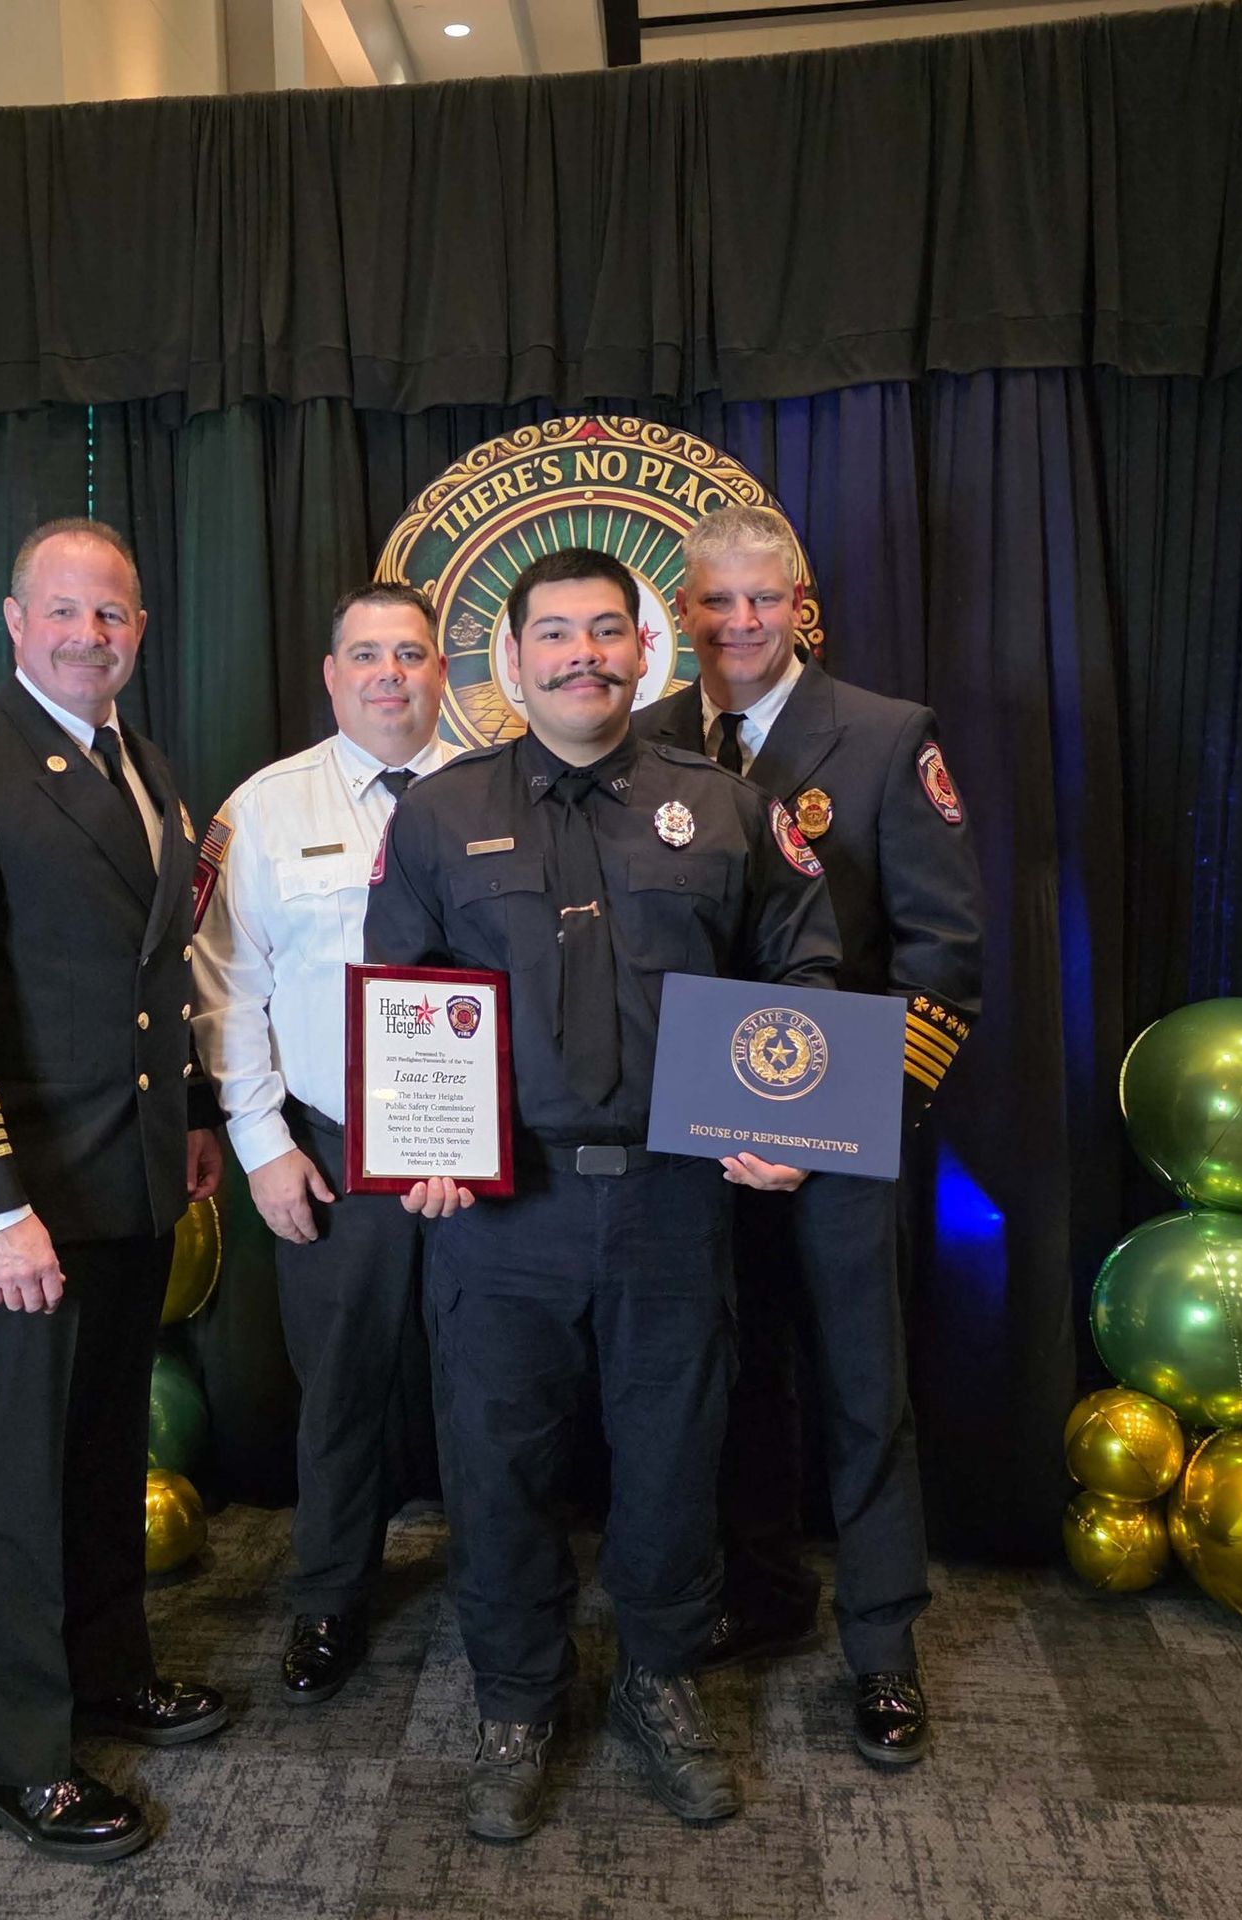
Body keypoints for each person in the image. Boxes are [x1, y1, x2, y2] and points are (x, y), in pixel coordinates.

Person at [364, 547, 842, 1842]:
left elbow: (802, 968)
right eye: (556, 634)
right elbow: (401, 988)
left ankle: (660, 1681)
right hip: (500, 1212)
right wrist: (419, 1139)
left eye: (607, 632)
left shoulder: (727, 809)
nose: (584, 654)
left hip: (674, 1203)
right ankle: (517, 1700)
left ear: (645, 650)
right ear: (512, 661)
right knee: (495, 1464)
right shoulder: (439, 816)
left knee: (675, 1459)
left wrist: (787, 1112)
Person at [0, 518, 228, 1864]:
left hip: (127, 1177)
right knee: (18, 1478)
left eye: (112, 614)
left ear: (141, 630)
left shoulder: (142, 764)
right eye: (64, 611)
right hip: (27, 1198)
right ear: (14, 622)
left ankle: (109, 1670)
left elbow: (150, 978)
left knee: (103, 1447)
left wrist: (193, 1117)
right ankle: (19, 1757)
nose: (89, 635)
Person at [635, 503, 983, 1767]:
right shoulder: (646, 740)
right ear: (684, 612)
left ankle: (882, 1647)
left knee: (859, 1389)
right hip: (690, 1135)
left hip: (834, 1139)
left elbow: (946, 963)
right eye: (714, 602)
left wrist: (835, 1127)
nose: (739, 623)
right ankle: (765, 1589)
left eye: (761, 599)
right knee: (729, 1380)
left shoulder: (887, 738)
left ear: (801, 606)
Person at [191, 583, 458, 1705]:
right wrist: (261, 1144)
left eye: (411, 653)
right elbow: (223, 987)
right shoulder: (262, 808)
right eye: (367, 654)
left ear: (443, 669)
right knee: (341, 1385)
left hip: (481, 1153)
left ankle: (504, 1580)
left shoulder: (505, 789)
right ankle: (332, 1594)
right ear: (331, 673)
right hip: (334, 1145)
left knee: (495, 1379)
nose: (390, 673)